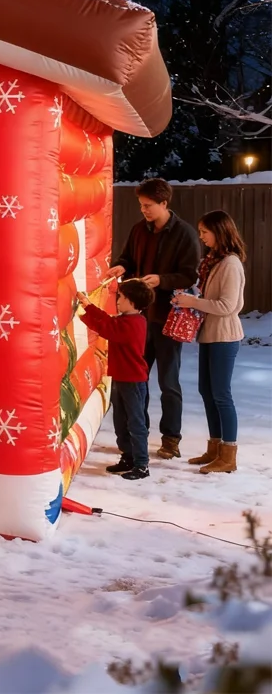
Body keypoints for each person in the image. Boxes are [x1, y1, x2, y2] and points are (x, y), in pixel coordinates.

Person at [106, 178, 200, 459]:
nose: (144, 210)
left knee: (168, 382)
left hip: (167, 318)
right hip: (137, 320)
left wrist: (162, 280)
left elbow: (190, 275)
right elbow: (128, 258)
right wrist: (121, 266)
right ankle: (138, 435)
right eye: (141, 205)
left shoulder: (184, 234)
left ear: (164, 203)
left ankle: (171, 438)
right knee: (136, 380)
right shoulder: (138, 230)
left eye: (148, 205)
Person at [172, 210, 246, 475]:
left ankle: (229, 454)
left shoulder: (231, 264)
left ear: (220, 231)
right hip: (210, 335)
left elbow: (228, 305)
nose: (201, 237)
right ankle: (215, 448)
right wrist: (188, 297)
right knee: (207, 391)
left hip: (224, 336)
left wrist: (193, 302)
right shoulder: (214, 261)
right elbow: (208, 296)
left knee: (222, 395)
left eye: (205, 231)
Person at [76, 279, 155, 480]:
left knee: (135, 422)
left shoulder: (135, 323)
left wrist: (84, 313)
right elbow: (109, 321)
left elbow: (108, 328)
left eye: (121, 297)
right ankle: (128, 456)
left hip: (133, 381)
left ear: (132, 301)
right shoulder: (125, 320)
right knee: (121, 420)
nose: (117, 300)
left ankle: (141, 464)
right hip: (121, 379)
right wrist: (88, 306)